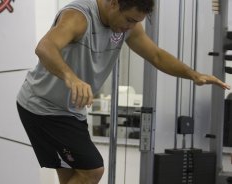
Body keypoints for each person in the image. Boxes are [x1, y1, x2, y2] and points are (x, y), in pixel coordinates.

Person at [16, 0, 230, 183]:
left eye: (137, 22)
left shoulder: (128, 26)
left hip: (70, 110)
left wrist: (193, 75)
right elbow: (45, 47)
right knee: (93, 169)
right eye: (129, 20)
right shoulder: (79, 17)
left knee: (75, 175)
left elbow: (155, 55)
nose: (131, 26)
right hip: (43, 107)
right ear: (113, 3)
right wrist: (71, 78)